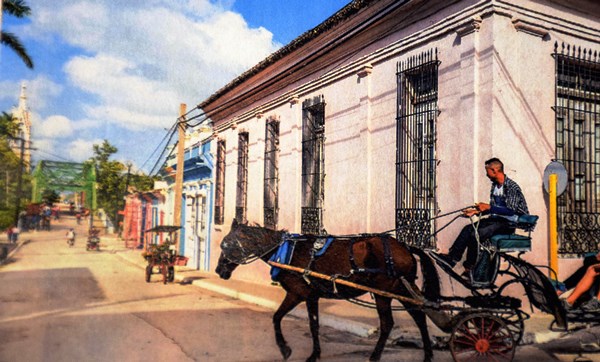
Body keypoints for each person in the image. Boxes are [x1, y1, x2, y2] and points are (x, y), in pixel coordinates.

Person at [431, 158, 529, 274]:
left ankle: (470, 268)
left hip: (508, 224)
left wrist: (488, 207)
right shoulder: (495, 186)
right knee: (467, 229)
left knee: (476, 234)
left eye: (487, 171)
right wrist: (476, 212)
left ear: (494, 170)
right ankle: (452, 259)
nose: (486, 174)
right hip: (495, 220)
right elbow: (494, 209)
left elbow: (511, 211)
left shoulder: (511, 187)